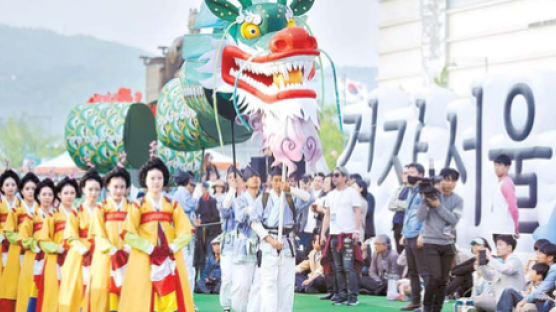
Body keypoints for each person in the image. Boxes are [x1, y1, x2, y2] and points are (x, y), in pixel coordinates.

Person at [118, 157, 195, 312]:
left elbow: (186, 230)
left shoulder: (171, 204)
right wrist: (148, 248)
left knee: (172, 294)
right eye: (152, 178)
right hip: (144, 257)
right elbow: (127, 233)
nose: (156, 182)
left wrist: (174, 246)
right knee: (144, 294)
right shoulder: (138, 205)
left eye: (159, 178)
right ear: (145, 180)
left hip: (169, 256)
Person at [250, 165, 311, 312]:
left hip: (286, 244)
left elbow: (309, 198)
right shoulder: (263, 198)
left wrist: (291, 189)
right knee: (268, 284)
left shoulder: (291, 198)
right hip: (268, 244)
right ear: (271, 181)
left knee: (286, 285)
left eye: (280, 180)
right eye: (275, 180)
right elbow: (255, 223)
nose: (277, 184)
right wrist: (271, 241)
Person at [416, 167, 463, 312]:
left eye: (453, 180)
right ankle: (427, 306)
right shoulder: (431, 195)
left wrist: (438, 206)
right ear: (440, 179)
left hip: (448, 244)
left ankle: (437, 308)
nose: (449, 183)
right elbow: (420, 217)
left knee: (443, 281)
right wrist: (425, 201)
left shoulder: (458, 200)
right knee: (434, 277)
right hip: (431, 242)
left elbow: (453, 219)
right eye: (446, 179)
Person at [88, 166, 132, 312]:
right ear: (108, 186)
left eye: (122, 187)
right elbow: (98, 234)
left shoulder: (132, 207)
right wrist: (112, 250)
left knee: (127, 294)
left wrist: (129, 247)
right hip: (106, 259)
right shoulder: (101, 207)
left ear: (127, 188)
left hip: (128, 258)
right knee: (104, 296)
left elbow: (136, 230)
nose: (119, 191)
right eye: (115, 187)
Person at [59, 169, 102, 312]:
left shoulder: (103, 209)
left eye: (97, 189)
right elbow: (70, 236)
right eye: (90, 189)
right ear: (83, 189)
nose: (94, 193)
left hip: (99, 252)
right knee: (76, 291)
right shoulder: (76, 210)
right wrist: (83, 250)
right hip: (79, 255)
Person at [320, 166, 364, 306]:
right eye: (333, 175)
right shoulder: (330, 195)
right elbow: (327, 215)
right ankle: (341, 294)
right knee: (337, 267)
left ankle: (353, 296)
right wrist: (322, 234)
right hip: (333, 235)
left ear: (345, 177)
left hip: (347, 235)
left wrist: (356, 231)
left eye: (337, 175)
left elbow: (357, 212)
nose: (334, 177)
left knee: (348, 266)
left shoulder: (352, 193)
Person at [22, 178, 57, 312]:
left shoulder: (57, 215)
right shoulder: (32, 216)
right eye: (44, 194)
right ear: (38, 196)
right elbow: (23, 238)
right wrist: (37, 246)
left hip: (53, 259)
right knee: (34, 292)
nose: (47, 198)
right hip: (36, 259)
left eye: (50, 194)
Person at [230, 165, 262, 312]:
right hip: (244, 246)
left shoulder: (265, 198)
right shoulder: (240, 200)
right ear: (245, 182)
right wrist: (249, 209)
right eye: (250, 177)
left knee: (258, 286)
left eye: (257, 176)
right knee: (242, 285)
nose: (255, 179)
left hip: (263, 247)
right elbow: (239, 217)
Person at [399, 163, 427, 311]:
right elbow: (408, 213)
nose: (408, 174)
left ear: (420, 175)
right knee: (412, 271)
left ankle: (428, 303)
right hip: (409, 233)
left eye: (412, 172)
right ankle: (415, 300)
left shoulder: (425, 191)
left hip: (418, 234)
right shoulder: (410, 190)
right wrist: (403, 233)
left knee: (423, 271)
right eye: (407, 171)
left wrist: (422, 234)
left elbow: (426, 214)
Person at [497, 243, 556, 312]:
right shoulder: (547, 267)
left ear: (550, 258)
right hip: (537, 297)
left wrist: (521, 302)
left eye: (540, 254)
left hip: (542, 300)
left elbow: (541, 290)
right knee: (509, 290)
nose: (537, 256)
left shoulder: (554, 269)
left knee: (509, 291)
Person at [472, 234, 525, 312]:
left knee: (507, 290)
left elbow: (506, 269)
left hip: (512, 302)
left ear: (509, 248)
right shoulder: (502, 262)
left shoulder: (514, 260)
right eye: (496, 245)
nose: (497, 247)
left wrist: (490, 257)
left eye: (500, 244)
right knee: (475, 301)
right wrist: (481, 263)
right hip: (497, 299)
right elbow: (489, 276)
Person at [12, 173, 40, 312]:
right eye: (27, 188)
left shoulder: (41, 210)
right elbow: (9, 232)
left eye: (34, 188)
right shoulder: (16, 210)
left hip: (38, 254)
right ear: (21, 191)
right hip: (17, 251)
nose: (30, 192)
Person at [172, 170, 200, 300]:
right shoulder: (182, 192)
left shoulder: (177, 192)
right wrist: (197, 197)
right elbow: (190, 205)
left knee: (186, 267)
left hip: (181, 234)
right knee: (188, 268)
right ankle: (187, 301)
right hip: (184, 234)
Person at [218, 166, 242, 312]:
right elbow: (225, 211)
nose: (234, 181)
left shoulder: (246, 197)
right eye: (230, 178)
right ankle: (226, 305)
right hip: (228, 243)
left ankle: (240, 305)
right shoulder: (224, 197)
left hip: (244, 243)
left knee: (241, 279)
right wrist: (232, 191)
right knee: (227, 276)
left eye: (236, 178)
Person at [0, 169, 21, 312]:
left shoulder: (21, 205)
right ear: (1, 187)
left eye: (13, 184)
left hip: (18, 245)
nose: (10, 188)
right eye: (7, 185)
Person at [195, 181, 222, 285]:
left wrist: (207, 223)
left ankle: (212, 277)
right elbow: (197, 212)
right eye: (203, 189)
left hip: (211, 230)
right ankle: (203, 277)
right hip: (201, 231)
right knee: (201, 254)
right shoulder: (200, 200)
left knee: (210, 253)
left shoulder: (212, 200)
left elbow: (215, 216)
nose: (204, 190)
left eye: (205, 189)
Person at [491, 154, 519, 237]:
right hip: (497, 228)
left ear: (507, 167)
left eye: (499, 165)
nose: (496, 168)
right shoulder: (499, 183)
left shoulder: (507, 184)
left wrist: (516, 227)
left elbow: (513, 207)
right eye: (495, 165)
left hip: (505, 230)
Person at [389, 166, 410, 254]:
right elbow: (390, 205)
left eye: (406, 173)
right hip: (396, 224)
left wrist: (397, 204)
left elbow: (409, 205)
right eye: (403, 173)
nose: (403, 175)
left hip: (406, 224)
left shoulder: (414, 189)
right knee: (399, 252)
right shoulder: (400, 188)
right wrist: (401, 205)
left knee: (407, 253)